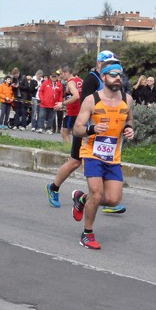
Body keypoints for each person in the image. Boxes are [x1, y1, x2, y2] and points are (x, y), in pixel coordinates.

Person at [45, 51, 126, 214]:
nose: (113, 66)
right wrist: (91, 127)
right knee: (75, 162)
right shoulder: (92, 79)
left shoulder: (113, 79)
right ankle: (53, 187)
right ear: (99, 64)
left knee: (105, 161)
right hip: (87, 129)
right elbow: (86, 104)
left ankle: (108, 200)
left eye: (114, 62)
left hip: (106, 133)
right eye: (109, 63)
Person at [70, 62, 135, 250]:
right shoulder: (92, 100)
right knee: (97, 193)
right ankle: (87, 234)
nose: (117, 78)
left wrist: (129, 129)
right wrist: (92, 128)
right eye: (113, 74)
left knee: (114, 199)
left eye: (120, 75)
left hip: (113, 155)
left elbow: (129, 118)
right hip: (92, 153)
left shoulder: (127, 99)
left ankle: (82, 199)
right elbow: (77, 129)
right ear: (104, 77)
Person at [54, 65, 83, 145]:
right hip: (81, 110)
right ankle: (77, 150)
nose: (60, 76)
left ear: (66, 73)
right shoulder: (79, 80)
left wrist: (62, 104)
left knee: (64, 132)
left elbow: (76, 96)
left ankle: (69, 150)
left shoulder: (70, 82)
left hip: (73, 111)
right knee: (77, 133)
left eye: (61, 74)